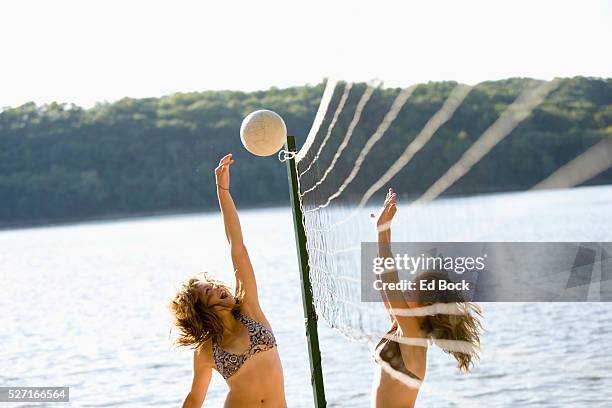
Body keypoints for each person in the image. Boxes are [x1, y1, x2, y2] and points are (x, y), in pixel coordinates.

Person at [169, 153, 286, 407]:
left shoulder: (249, 308)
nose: (218, 286)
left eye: (214, 283)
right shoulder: (207, 351)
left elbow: (237, 247)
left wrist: (223, 190)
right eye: (208, 290)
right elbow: (194, 398)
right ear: (201, 308)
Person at [370, 188, 482, 408]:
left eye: (410, 292)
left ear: (426, 307)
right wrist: (384, 230)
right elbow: (385, 285)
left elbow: (389, 283)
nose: (403, 292)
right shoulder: (399, 327)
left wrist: (382, 230)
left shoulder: (413, 337)